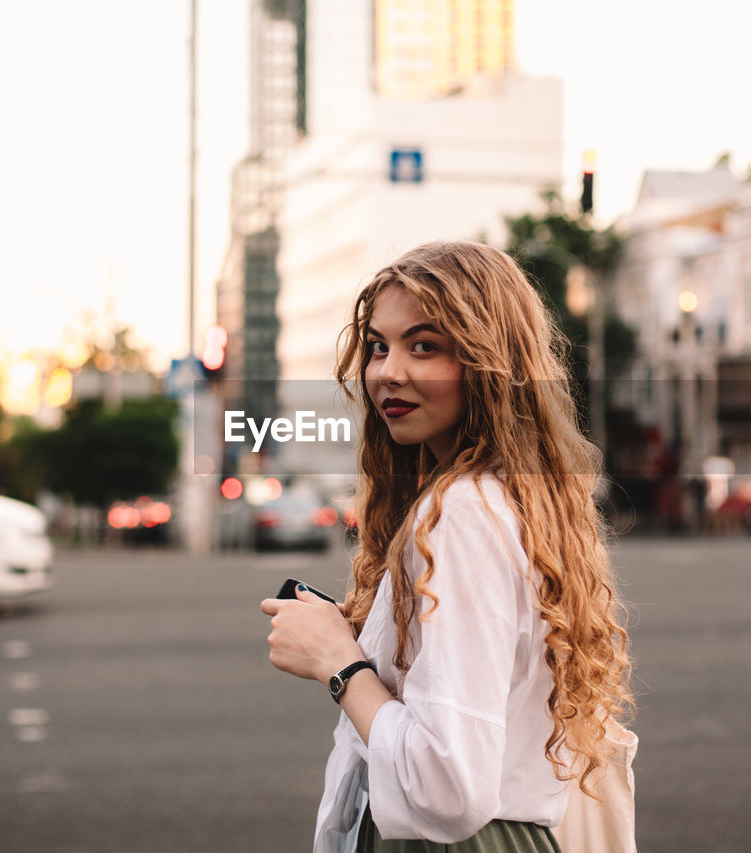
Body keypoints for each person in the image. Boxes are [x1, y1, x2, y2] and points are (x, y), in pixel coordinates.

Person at [261, 241, 635, 852]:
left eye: (425, 345)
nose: (388, 370)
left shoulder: (461, 512)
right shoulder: (514, 498)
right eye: (379, 346)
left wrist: (339, 664)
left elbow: (448, 787)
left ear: (490, 363)